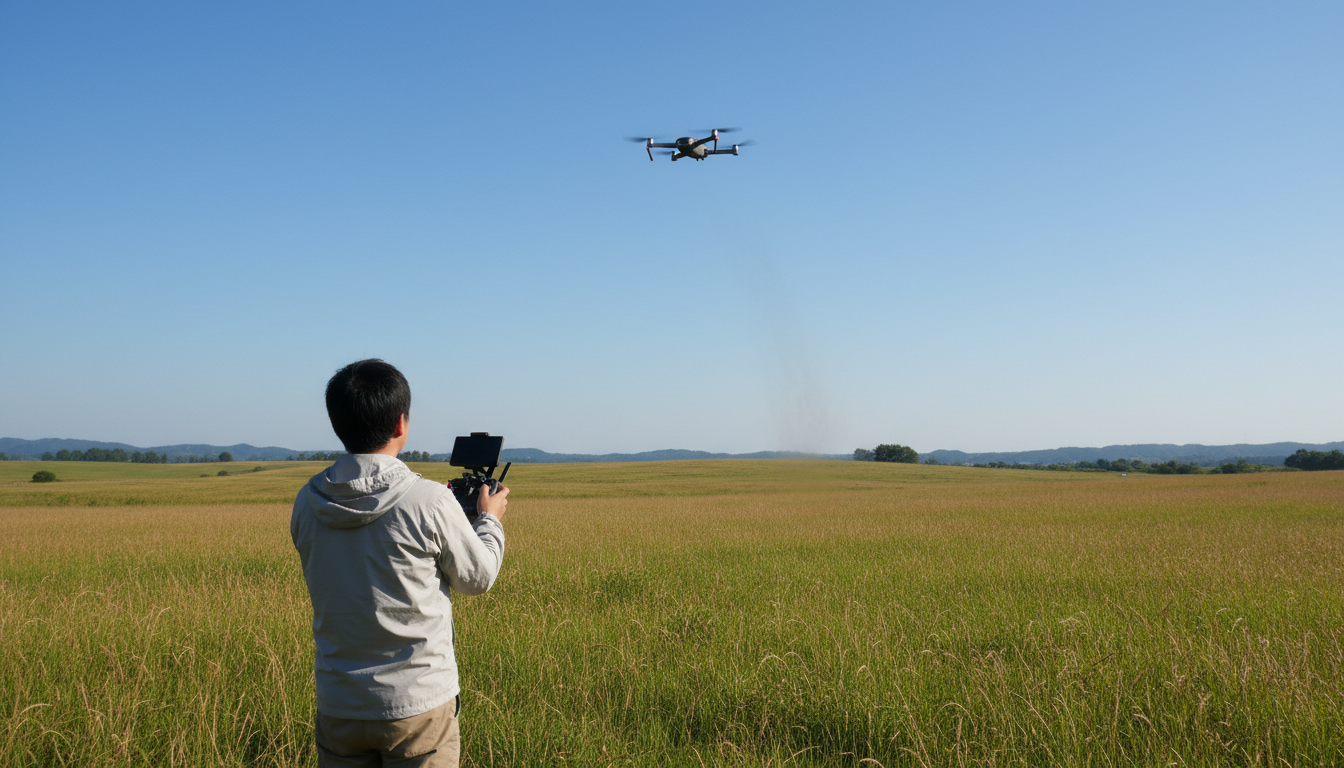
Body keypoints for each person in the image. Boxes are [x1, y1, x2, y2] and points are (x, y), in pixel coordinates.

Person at [291, 359, 508, 767]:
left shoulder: (307, 501)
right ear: (401, 425)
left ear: (338, 424)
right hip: (417, 704)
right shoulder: (429, 501)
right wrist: (489, 519)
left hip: (339, 704)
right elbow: (477, 578)